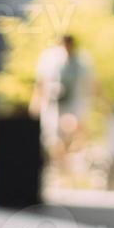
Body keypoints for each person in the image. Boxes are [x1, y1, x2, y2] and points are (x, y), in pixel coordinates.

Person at [31, 33, 95, 170]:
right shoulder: (50, 60)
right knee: (54, 138)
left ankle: (69, 162)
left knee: (71, 130)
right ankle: (61, 166)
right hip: (54, 105)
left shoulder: (81, 62)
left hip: (73, 105)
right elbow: (40, 84)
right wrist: (36, 103)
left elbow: (89, 85)